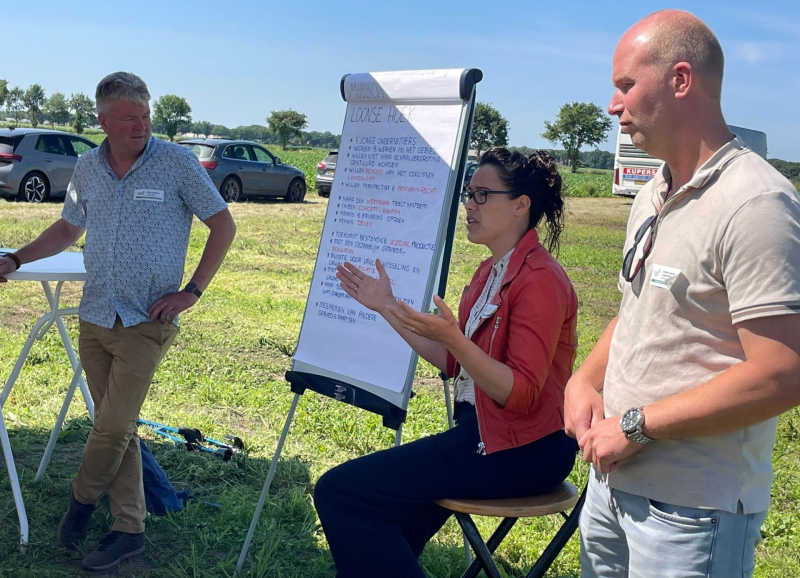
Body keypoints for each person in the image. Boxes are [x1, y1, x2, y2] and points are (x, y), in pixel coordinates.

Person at [565, 10, 800, 578]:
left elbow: (784, 372)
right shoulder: (654, 194)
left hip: (693, 511)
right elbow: (638, 310)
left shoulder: (756, 203)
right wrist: (584, 379)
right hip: (611, 484)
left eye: (625, 85)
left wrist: (638, 425)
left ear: (681, 80)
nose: (612, 105)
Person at [0, 72, 236, 571]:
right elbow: (69, 226)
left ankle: (80, 505)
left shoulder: (176, 162)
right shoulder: (88, 166)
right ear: (103, 120)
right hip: (95, 314)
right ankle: (129, 529)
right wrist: (17, 258)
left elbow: (223, 224)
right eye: (129, 117)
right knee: (119, 427)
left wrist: (191, 291)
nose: (141, 125)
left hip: (145, 320)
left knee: (110, 427)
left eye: (146, 115)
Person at [314, 147, 579, 578]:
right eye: (469, 195)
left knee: (340, 493)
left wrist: (455, 337)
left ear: (520, 206)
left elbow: (520, 392)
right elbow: (455, 363)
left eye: (481, 195)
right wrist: (387, 307)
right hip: (489, 438)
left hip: (528, 449)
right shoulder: (487, 272)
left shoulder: (541, 279)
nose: (469, 206)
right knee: (384, 526)